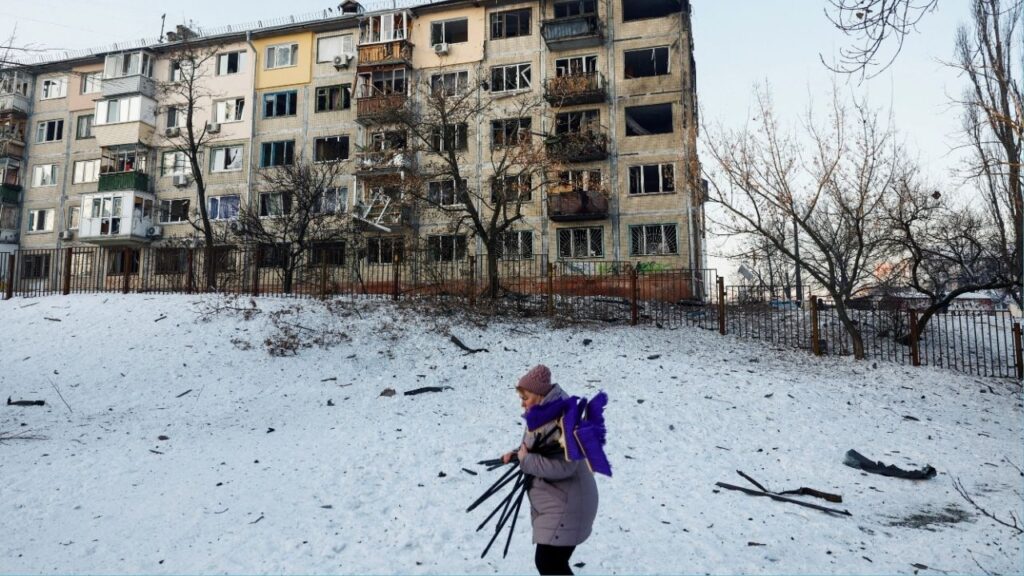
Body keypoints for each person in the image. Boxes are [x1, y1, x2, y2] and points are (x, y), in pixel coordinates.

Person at [501, 364, 599, 576]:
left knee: (549, 563)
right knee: (550, 564)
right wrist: (517, 455)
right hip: (557, 500)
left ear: (538, 394)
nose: (522, 404)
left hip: (569, 503)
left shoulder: (563, 420)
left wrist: (526, 461)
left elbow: (566, 466)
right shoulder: (542, 415)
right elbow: (540, 449)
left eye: (525, 398)